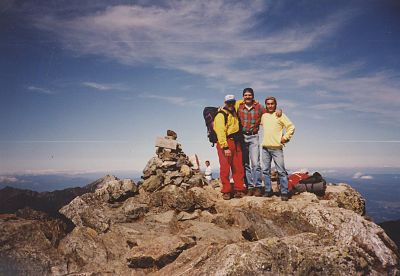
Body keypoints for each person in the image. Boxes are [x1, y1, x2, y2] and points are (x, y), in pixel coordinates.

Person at [236, 88, 282, 196]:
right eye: (246, 95)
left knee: (255, 163)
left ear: (253, 96)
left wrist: (278, 111)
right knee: (246, 164)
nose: (248, 97)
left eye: (250, 95)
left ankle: (257, 186)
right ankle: (250, 187)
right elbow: (228, 109)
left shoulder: (259, 107)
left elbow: (270, 111)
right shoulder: (239, 107)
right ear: (243, 96)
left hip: (254, 137)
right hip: (242, 137)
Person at [260, 96, 295, 201]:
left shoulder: (280, 115)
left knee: (281, 171)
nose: (270, 105)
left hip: (276, 148)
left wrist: (285, 138)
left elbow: (291, 127)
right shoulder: (264, 116)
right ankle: (268, 190)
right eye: (268, 104)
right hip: (265, 148)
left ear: (275, 104)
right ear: (266, 105)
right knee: (265, 171)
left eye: (272, 104)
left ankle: (284, 192)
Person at [214, 94, 246, 200]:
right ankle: (226, 191)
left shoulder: (234, 110)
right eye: (229, 103)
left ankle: (239, 189)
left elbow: (242, 101)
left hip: (236, 142)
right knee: (225, 168)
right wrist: (225, 147)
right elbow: (220, 132)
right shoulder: (221, 115)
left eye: (232, 102)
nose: (231, 104)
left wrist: (254, 101)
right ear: (225, 103)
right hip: (226, 143)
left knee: (238, 167)